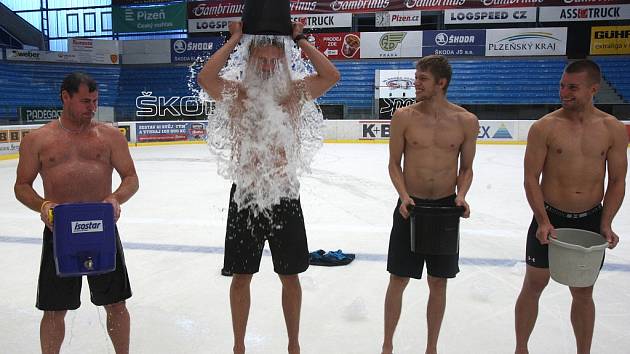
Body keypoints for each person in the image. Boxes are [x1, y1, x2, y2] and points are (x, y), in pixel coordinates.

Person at [197, 21, 339, 354]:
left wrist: (299, 39)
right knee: (241, 276)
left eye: (275, 61)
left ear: (284, 62)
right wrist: (234, 39)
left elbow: (331, 76)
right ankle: (239, 346)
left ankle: (293, 345)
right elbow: (205, 78)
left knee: (290, 276)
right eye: (261, 60)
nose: (268, 66)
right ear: (247, 62)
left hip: (284, 194)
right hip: (246, 194)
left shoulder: (295, 94)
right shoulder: (236, 94)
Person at [14, 72, 138, 354]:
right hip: (59, 234)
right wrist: (43, 205)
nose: (91, 108)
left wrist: (116, 198)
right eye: (84, 101)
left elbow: (131, 178)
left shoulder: (109, 136)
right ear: (65, 97)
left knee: (116, 303)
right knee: (54, 308)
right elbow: (22, 186)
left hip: (102, 232)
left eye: (95, 101)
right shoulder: (38, 139)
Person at [514, 59, 627, 354]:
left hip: (590, 219)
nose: (564, 92)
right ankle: (521, 348)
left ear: (593, 89)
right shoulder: (545, 127)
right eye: (562, 85)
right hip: (550, 216)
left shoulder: (612, 129)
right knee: (534, 284)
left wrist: (606, 222)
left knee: (583, 291)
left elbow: (617, 181)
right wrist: (541, 220)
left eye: (572, 87)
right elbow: (530, 179)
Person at [381, 55, 479, 354]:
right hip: (409, 207)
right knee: (398, 278)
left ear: (441, 82)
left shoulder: (466, 121)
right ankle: (387, 345)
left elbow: (466, 168)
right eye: (416, 77)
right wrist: (403, 194)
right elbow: (394, 165)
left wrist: (461, 195)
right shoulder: (403, 117)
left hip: (445, 210)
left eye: (422, 79)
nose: (416, 83)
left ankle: (431, 348)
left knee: (438, 282)